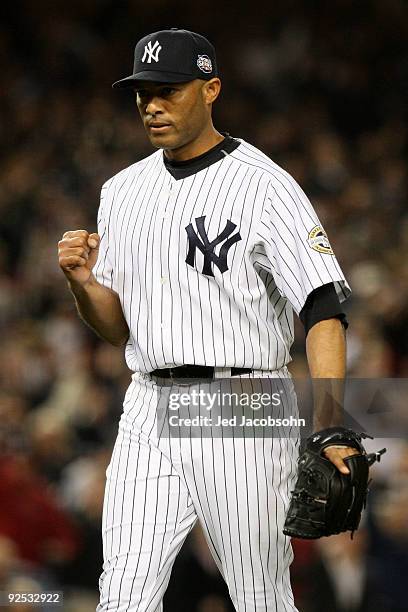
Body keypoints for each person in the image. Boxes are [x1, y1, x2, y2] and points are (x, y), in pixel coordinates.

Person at [58, 28, 357, 612]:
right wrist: (84, 285)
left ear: (211, 88)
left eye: (169, 90)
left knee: (260, 598)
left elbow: (323, 305)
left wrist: (331, 422)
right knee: (121, 595)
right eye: (143, 93)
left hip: (244, 398)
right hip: (149, 401)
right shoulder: (120, 191)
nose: (152, 105)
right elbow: (117, 328)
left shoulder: (264, 184)